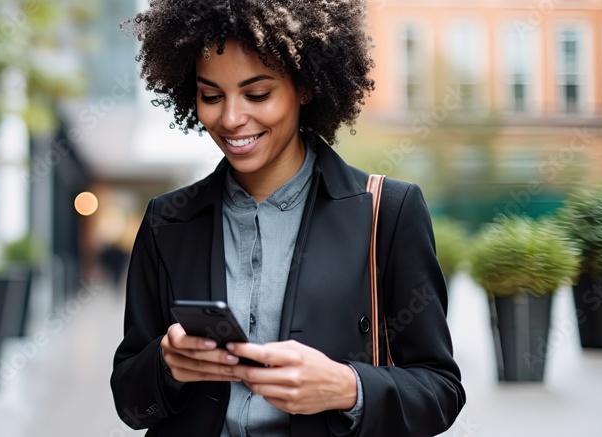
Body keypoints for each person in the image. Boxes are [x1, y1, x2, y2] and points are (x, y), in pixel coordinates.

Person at [111, 1, 466, 436]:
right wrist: (166, 365)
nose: (231, 118)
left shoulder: (388, 211)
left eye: (257, 94)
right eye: (211, 96)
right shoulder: (166, 221)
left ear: (305, 87)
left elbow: (440, 391)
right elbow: (129, 403)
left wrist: (348, 388)